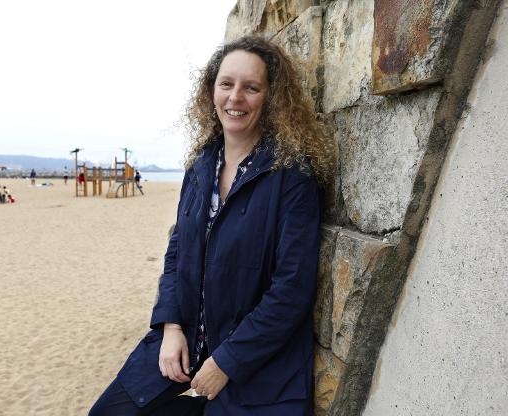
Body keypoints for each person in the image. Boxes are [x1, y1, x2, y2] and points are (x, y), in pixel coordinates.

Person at [89, 35, 335, 416]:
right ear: (211, 91)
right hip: (186, 341)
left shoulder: (292, 177)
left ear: (270, 98)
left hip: (255, 363)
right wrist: (171, 326)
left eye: (251, 88)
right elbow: (177, 252)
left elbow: (292, 289)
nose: (235, 97)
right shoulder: (201, 166)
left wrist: (227, 363)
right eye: (226, 84)